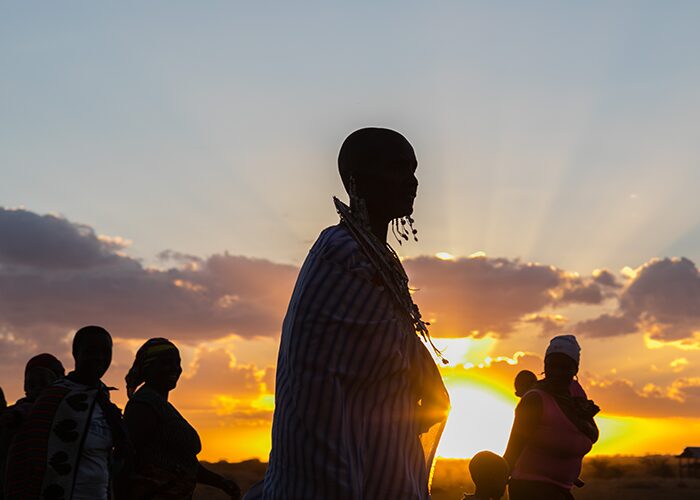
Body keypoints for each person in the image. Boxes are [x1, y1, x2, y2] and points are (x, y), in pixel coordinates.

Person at [252, 128, 449, 500]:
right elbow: (319, 381)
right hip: (329, 469)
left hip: (377, 459)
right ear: (357, 178)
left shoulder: (378, 261)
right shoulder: (342, 255)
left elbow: (395, 359)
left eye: (413, 169)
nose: (412, 182)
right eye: (397, 168)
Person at [4, 326, 131, 500]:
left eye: (105, 352)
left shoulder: (105, 403)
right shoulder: (53, 399)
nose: (99, 358)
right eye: (91, 351)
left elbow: (118, 455)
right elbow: (27, 457)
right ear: (75, 354)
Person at [124, 338, 241, 500]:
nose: (174, 368)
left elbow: (184, 464)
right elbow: (126, 458)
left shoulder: (161, 406)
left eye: (176, 362)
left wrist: (221, 482)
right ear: (147, 368)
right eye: (165, 363)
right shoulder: (143, 406)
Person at [504, 335, 599, 500]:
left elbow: (593, 435)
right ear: (545, 366)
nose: (556, 372)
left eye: (564, 367)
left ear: (575, 369)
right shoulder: (534, 400)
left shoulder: (576, 398)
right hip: (529, 490)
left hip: (562, 491)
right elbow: (512, 452)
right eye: (552, 366)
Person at [0, 354, 65, 497]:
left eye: (43, 384)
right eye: (32, 385)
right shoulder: (22, 407)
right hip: (20, 476)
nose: (37, 389)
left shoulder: (65, 411)